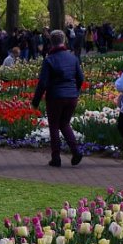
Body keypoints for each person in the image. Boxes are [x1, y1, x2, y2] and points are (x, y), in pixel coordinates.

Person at [32, 29, 85, 167]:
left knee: (55, 126)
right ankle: (76, 151)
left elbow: (43, 83)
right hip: (71, 96)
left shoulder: (49, 59)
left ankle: (56, 158)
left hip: (55, 96)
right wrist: (75, 91)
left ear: (51, 42)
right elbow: (81, 78)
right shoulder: (72, 58)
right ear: (64, 41)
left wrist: (36, 101)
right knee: (65, 123)